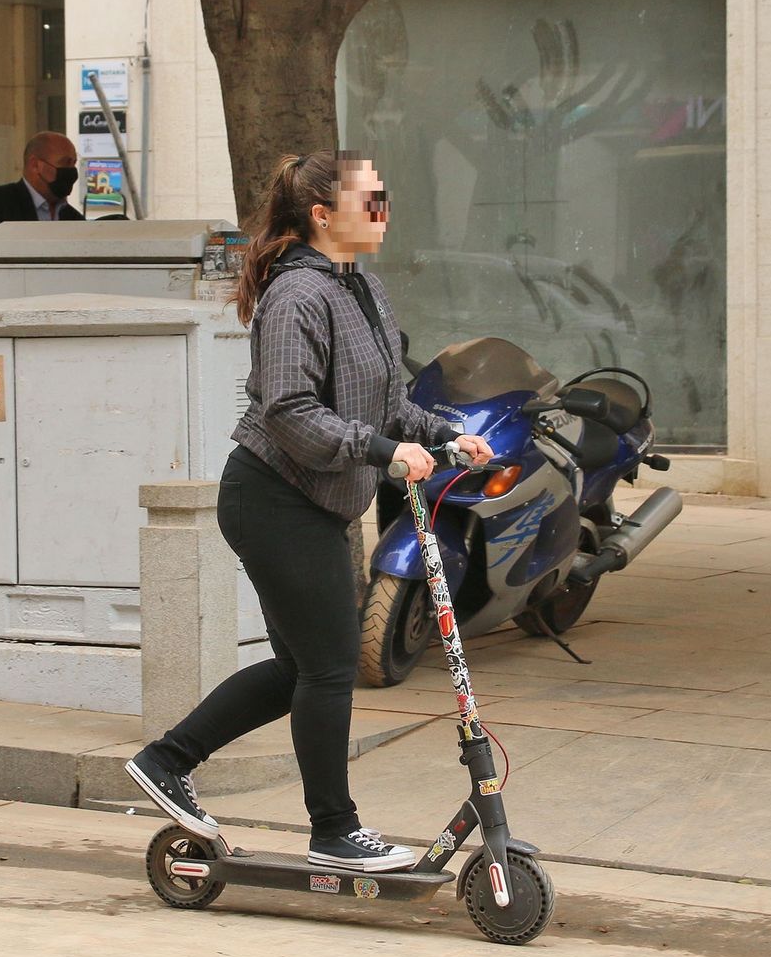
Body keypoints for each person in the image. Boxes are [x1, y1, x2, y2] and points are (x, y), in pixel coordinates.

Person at [124, 149, 494, 872]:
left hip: (316, 500)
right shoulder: (296, 296)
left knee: (301, 666)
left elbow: (388, 400)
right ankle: (334, 831)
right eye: (370, 203)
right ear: (323, 216)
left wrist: (444, 436)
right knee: (328, 666)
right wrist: (384, 452)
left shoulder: (361, 288)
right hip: (274, 497)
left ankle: (166, 762)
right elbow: (291, 413)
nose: (383, 215)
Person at [0, 131, 84, 286]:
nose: (72, 172)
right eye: (65, 163)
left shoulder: (74, 219)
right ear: (35, 165)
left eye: (73, 163)